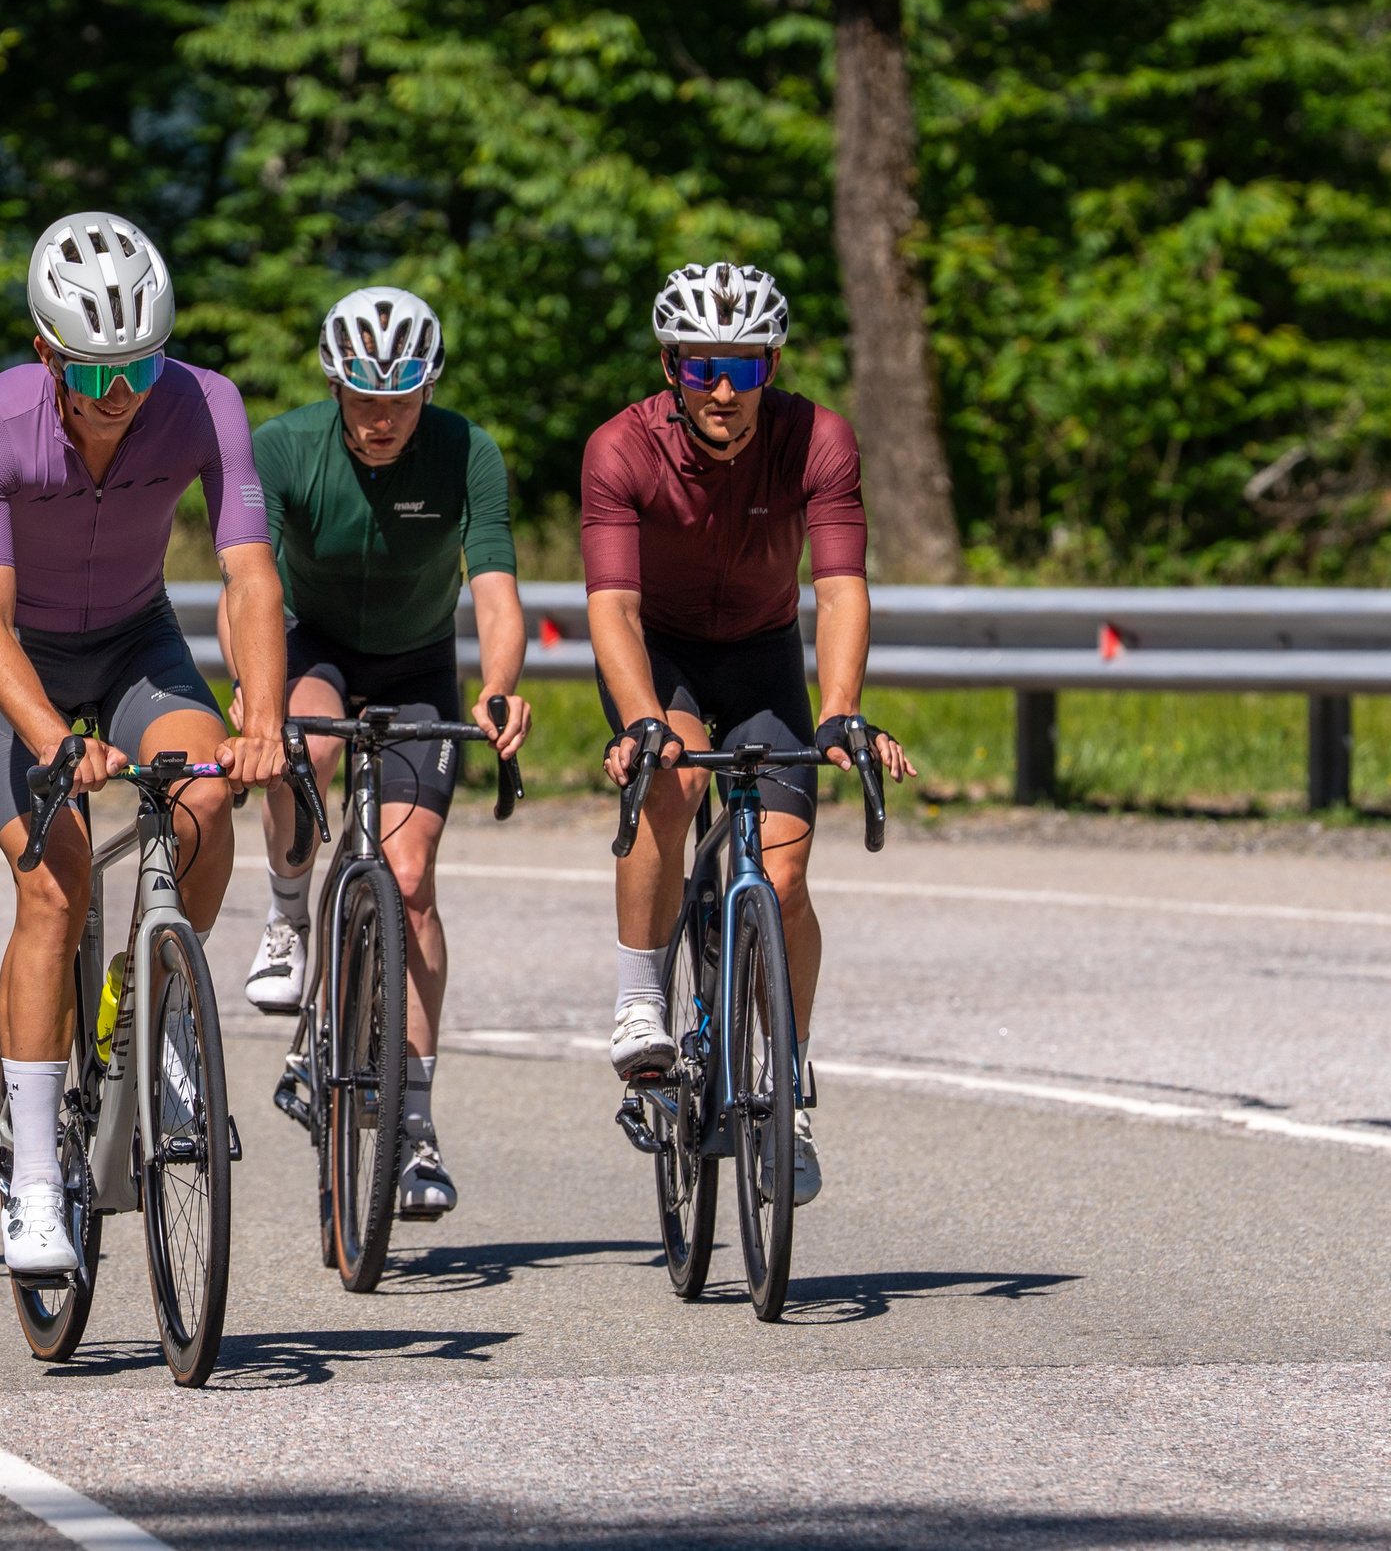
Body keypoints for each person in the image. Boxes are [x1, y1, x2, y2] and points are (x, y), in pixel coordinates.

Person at [0, 210, 292, 1276]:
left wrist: (263, 716)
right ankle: (36, 1179)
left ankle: (161, 1014)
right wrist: (55, 743)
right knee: (52, 889)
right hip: (26, 663)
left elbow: (247, 575)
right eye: (93, 378)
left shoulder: (204, 402)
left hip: (138, 644)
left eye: (138, 369)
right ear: (47, 353)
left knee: (202, 799)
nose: (120, 398)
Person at [584, 262, 915, 1206]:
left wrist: (842, 706)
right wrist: (643, 718)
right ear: (670, 368)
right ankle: (642, 992)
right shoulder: (620, 448)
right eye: (700, 370)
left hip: (766, 652)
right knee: (675, 777)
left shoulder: (821, 440)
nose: (723, 391)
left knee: (785, 876)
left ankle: (787, 1089)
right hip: (665, 656)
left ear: (772, 366)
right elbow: (610, 604)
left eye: (744, 368)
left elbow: (841, 586)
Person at [222, 286, 531, 1220]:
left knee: (410, 875)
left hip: (417, 664)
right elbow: (249, 587)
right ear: (336, 385)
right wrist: (252, 693)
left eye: (403, 398)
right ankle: (287, 916)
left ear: (428, 388)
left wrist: (502, 682)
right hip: (312, 646)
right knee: (298, 747)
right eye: (365, 399)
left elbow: (497, 590)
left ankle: (415, 1117)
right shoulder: (281, 447)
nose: (384, 418)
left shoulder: (467, 450)